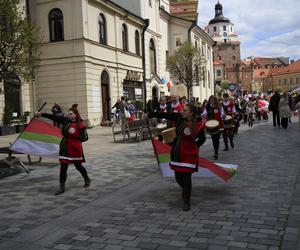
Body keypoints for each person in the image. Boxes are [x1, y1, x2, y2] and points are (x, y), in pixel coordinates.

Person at [149, 103, 206, 211]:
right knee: (178, 177)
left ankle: (186, 201)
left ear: (191, 113)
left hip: (189, 153)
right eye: (183, 110)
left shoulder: (198, 123)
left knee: (187, 176)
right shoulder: (179, 117)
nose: (182, 111)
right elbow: (166, 115)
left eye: (185, 110)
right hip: (177, 151)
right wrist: (151, 114)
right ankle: (185, 190)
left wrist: (195, 146)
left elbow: (202, 139)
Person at [37, 105, 91, 195]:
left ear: (76, 115)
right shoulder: (65, 121)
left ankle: (87, 178)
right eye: (68, 114)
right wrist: (41, 114)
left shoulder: (81, 124)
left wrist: (76, 136)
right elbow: (54, 117)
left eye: (71, 114)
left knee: (78, 166)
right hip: (65, 146)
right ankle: (62, 187)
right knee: (63, 167)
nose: (69, 115)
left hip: (75, 147)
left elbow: (85, 138)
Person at [202, 95, 223, 160]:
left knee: (217, 139)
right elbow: (204, 113)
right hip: (210, 125)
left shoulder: (219, 107)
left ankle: (216, 152)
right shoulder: (207, 107)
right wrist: (203, 115)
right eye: (211, 99)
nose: (212, 101)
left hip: (218, 125)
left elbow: (222, 114)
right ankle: (215, 151)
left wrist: (223, 115)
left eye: (213, 99)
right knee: (214, 139)